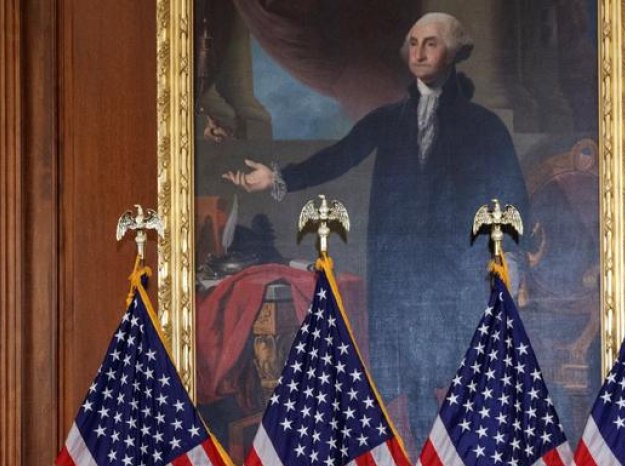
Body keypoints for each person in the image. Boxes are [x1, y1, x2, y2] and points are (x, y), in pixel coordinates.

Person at [223, 12, 529, 440]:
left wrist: (512, 259)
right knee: (409, 388)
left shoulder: (485, 126)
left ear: (456, 53)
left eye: (431, 44)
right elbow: (339, 156)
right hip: (399, 279)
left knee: (460, 386)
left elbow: (510, 194)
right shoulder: (390, 119)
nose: (419, 53)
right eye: (414, 43)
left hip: (457, 279)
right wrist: (276, 178)